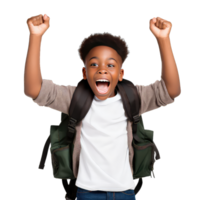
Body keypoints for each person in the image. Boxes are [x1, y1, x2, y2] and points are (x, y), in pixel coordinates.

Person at [23, 13, 181, 200]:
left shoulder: (133, 97)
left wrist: (163, 39)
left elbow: (171, 91)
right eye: (94, 64)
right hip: (86, 193)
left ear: (122, 73)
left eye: (111, 65)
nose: (102, 69)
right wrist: (35, 35)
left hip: (126, 193)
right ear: (84, 73)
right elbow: (33, 89)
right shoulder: (74, 97)